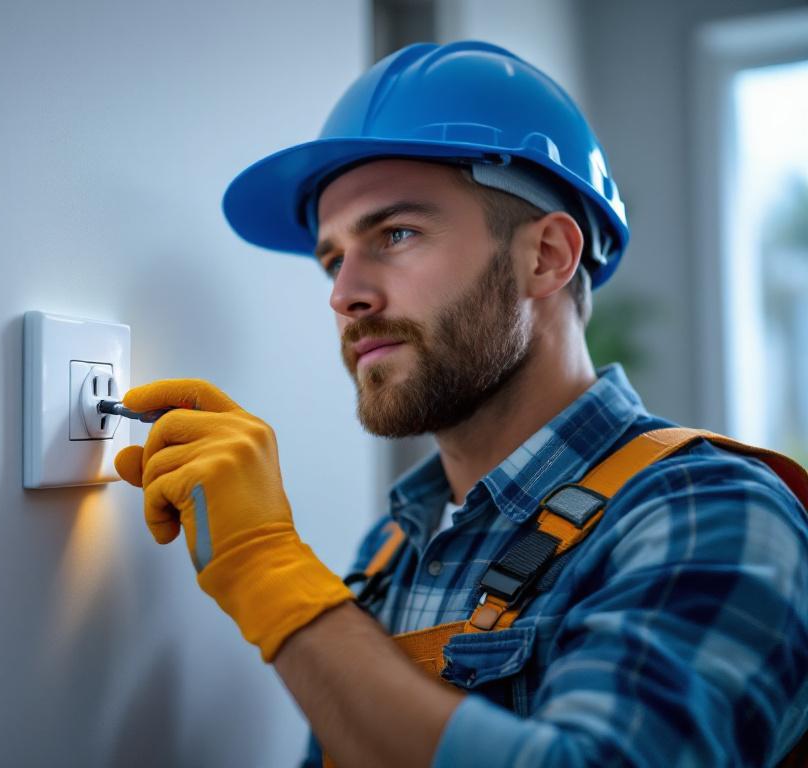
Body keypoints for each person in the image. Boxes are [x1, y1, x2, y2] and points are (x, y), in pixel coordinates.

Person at [112, 41, 808, 767]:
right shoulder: (393, 549)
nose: (344, 294)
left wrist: (266, 570)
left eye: (397, 233)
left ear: (545, 257)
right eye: (331, 257)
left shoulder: (709, 510)